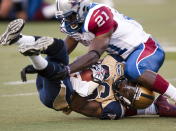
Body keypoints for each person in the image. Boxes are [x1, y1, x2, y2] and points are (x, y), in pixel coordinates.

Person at [1, 19, 176, 120]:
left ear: (127, 103)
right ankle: (19, 39)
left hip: (56, 94)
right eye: (133, 86)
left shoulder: (112, 107)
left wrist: (79, 83)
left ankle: (35, 57)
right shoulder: (119, 65)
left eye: (129, 94)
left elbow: (77, 104)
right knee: (60, 49)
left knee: (64, 89)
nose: (126, 88)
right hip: (62, 70)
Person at [53, 0, 176, 103]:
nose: (68, 21)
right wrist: (46, 65)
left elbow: (93, 55)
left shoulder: (98, 16)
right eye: (64, 18)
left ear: (82, 9)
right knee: (97, 80)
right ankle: (157, 108)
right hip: (121, 58)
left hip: (145, 48)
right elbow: (62, 52)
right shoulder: (74, 23)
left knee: (134, 71)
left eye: (70, 16)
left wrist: (67, 69)